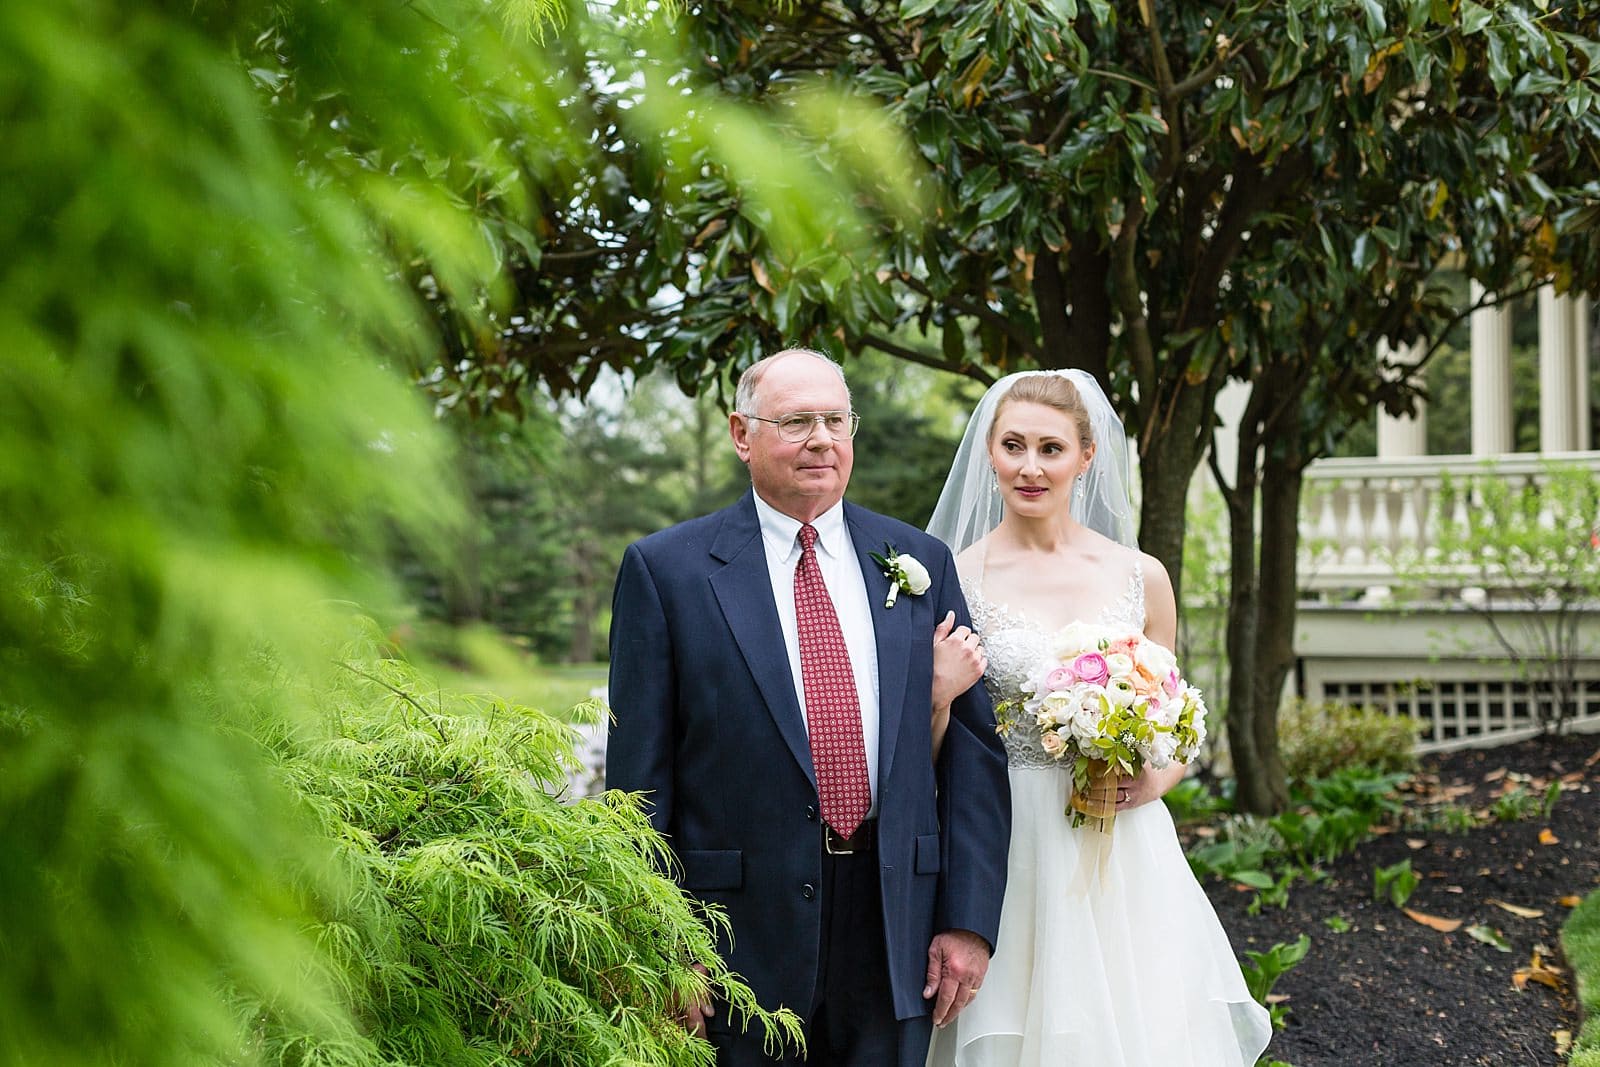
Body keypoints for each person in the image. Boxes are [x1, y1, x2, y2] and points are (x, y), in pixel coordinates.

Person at [606, 348, 1012, 1067]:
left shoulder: (920, 561)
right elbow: (638, 784)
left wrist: (968, 923)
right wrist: (662, 944)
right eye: (796, 421)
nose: (822, 438)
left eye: (835, 419)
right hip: (734, 937)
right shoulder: (666, 571)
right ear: (742, 434)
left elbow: (976, 759)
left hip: (895, 925)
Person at [923, 370, 1273, 1067]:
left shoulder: (1142, 576)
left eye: (1050, 448)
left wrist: (1152, 784)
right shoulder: (956, 576)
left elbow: (1178, 725)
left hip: (1126, 851)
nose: (1030, 466)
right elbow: (931, 753)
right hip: (1011, 838)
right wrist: (937, 693)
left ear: (1086, 457)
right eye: (1013, 445)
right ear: (989, 451)